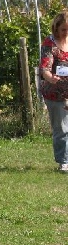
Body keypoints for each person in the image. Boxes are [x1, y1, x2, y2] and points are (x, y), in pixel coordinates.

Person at [38, 10, 68, 173]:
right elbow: (45, 68)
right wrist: (51, 78)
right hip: (55, 93)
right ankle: (64, 161)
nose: (66, 32)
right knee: (62, 129)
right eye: (64, 29)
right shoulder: (49, 44)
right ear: (56, 28)